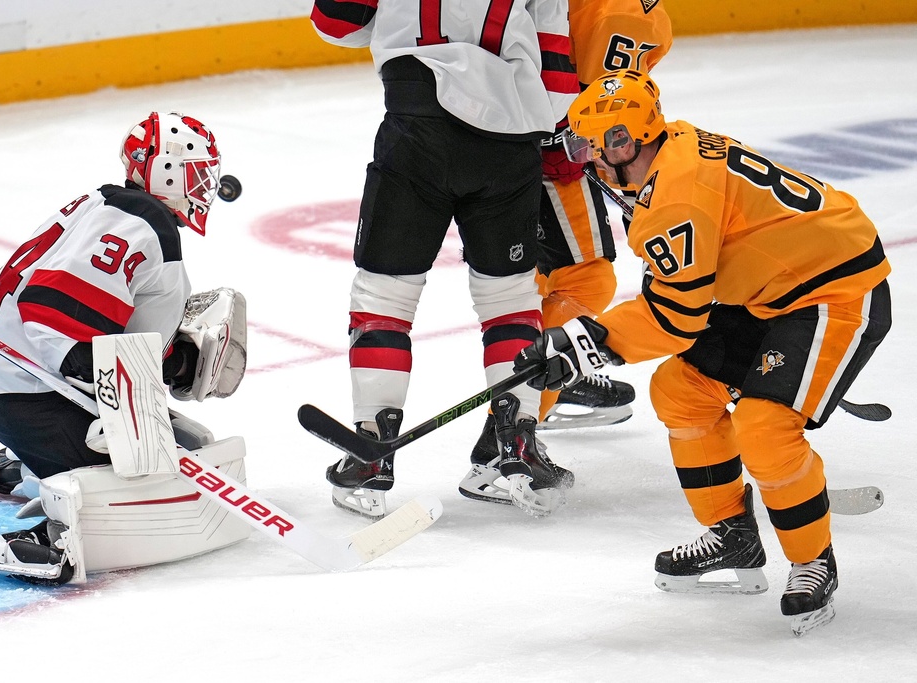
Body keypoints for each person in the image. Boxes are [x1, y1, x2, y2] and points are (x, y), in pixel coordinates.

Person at [513, 69, 891, 634]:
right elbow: (682, 296)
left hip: (833, 291)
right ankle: (731, 536)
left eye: (590, 146)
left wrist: (582, 344)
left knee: (765, 429)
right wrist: (584, 341)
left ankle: (813, 560)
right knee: (680, 391)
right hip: (772, 289)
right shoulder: (674, 147)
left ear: (625, 142)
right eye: (577, 145)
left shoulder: (675, 197)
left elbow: (674, 318)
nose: (583, 160)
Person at [0, 111, 252, 584]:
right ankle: (50, 523)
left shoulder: (107, 204)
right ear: (165, 171)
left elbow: (101, 318)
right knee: (150, 467)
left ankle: (25, 462)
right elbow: (53, 310)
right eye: (197, 171)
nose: (205, 184)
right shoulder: (146, 224)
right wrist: (114, 396)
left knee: (188, 442)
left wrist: (162, 363)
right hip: (23, 392)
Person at [309, 0, 580, 518]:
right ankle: (514, 446)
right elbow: (559, 76)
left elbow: (333, 23)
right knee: (510, 299)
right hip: (509, 139)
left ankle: (371, 450)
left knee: (383, 294)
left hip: (416, 127)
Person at [464, 0, 673, 504]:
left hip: (484, 136)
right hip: (547, 153)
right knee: (585, 279)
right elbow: (591, 102)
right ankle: (511, 429)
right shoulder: (643, 15)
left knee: (535, 282)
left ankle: (547, 385)